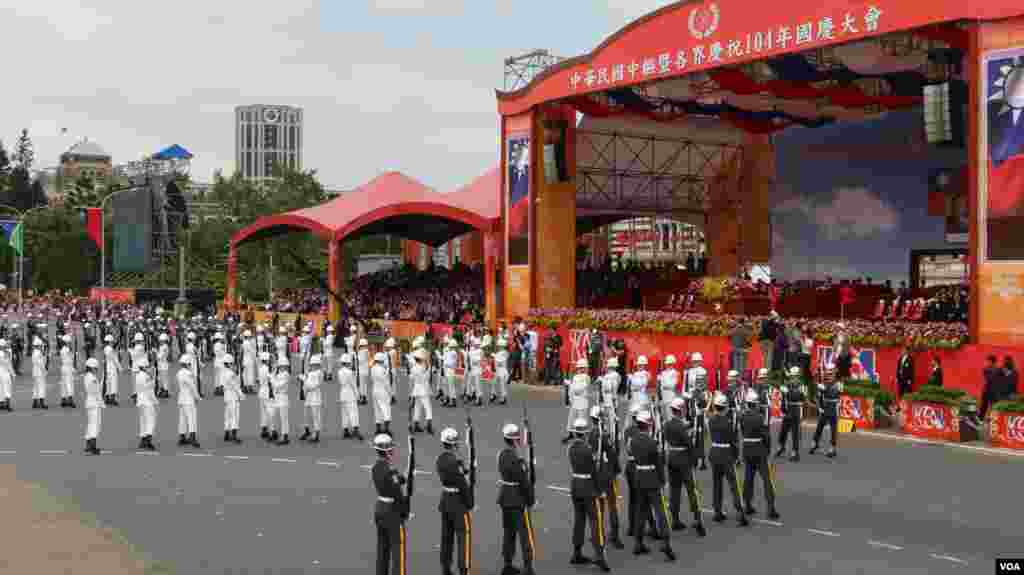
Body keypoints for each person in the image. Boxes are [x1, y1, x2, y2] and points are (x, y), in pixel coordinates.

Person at [626, 410, 675, 560]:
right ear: (648, 425)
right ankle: (665, 542)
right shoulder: (652, 443)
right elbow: (658, 464)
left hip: (639, 478)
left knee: (641, 511)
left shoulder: (632, 441)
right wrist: (663, 481)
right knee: (660, 512)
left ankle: (638, 543)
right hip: (652, 479)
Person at [567, 418, 610, 571]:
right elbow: (594, 472)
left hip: (575, 486)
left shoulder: (571, 448)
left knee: (579, 520)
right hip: (588, 488)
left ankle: (577, 551)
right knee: (595, 521)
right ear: (584, 434)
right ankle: (599, 554)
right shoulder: (587, 450)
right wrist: (600, 491)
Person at [497, 423, 536, 575]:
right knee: (525, 533)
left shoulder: (501, 454)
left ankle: (507, 563)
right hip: (517, 498)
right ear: (514, 441)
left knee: (508, 532)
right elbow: (524, 481)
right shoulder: (516, 459)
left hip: (505, 496)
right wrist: (530, 498)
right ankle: (528, 566)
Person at [663, 398, 705, 536]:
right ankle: (698, 519)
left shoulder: (667, 424)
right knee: (692, 490)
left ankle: (675, 519)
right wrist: (695, 459)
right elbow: (688, 443)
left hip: (672, 458)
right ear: (680, 410)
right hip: (683, 459)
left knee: (674, 490)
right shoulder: (681, 426)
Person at [436, 427, 474, 575]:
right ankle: (463, 569)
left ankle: (445, 567)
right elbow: (462, 484)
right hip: (458, 503)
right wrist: (469, 502)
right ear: (453, 444)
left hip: (445, 501)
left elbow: (454, 474)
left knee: (446, 537)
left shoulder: (440, 459)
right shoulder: (455, 462)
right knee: (463, 537)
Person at [708, 392, 748, 526]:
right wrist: (736, 457)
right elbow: (733, 441)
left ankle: (717, 511)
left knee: (717, 484)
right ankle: (740, 511)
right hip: (726, 454)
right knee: (733, 484)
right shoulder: (728, 422)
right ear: (725, 407)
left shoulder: (711, 420)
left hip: (714, 453)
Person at [372, 433, 409, 575]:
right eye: (391, 449)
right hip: (392, 512)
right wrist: (404, 511)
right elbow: (397, 493)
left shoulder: (376, 467)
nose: (393, 451)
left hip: (380, 508)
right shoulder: (390, 470)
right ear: (387, 451)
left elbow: (396, 480)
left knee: (382, 548)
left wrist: (403, 477)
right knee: (398, 550)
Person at [739, 390, 779, 519]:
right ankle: (771, 507)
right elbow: (766, 436)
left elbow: (743, 431)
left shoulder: (742, 417)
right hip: (759, 450)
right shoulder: (759, 417)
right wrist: (768, 450)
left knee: (748, 479)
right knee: (767, 480)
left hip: (747, 449)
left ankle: (748, 505)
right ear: (755, 404)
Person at [589, 406, 624, 549]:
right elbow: (612, 454)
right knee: (613, 506)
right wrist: (617, 470)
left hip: (596, 475)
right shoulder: (603, 435)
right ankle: (614, 536)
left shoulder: (590, 435)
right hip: (607, 474)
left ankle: (598, 534)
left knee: (599, 507)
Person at [810, 366, 841, 458]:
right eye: (828, 374)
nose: (829, 376)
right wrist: (819, 406)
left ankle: (832, 447)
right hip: (825, 407)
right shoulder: (824, 383)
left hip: (833, 407)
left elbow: (833, 392)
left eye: (831, 374)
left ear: (834, 375)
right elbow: (819, 396)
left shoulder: (838, 384)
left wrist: (822, 386)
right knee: (819, 426)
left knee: (833, 429)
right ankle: (815, 443)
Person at [775, 366, 804, 461]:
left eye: (795, 376)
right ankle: (781, 446)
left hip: (796, 409)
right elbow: (784, 399)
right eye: (792, 376)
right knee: (783, 430)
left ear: (798, 376)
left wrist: (788, 392)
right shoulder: (787, 384)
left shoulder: (801, 385)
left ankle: (795, 452)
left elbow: (799, 397)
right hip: (788, 410)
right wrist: (782, 409)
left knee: (795, 432)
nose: (793, 378)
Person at [176, 354, 201, 448]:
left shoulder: (179, 373)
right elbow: (192, 386)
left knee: (182, 419)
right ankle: (192, 438)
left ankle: (182, 437)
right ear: (188, 364)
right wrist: (197, 397)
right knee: (192, 418)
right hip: (188, 398)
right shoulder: (188, 374)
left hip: (181, 398)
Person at [564, 359, 591, 443]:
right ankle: (571, 433)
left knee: (582, 418)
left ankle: (582, 435)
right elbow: (572, 391)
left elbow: (579, 388)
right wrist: (569, 397)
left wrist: (570, 384)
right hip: (575, 400)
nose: (581, 370)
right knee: (571, 418)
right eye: (580, 368)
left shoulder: (586, 378)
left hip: (582, 400)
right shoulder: (575, 377)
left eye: (583, 368)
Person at [338, 353, 363, 440]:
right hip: (350, 394)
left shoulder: (340, 372)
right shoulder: (349, 373)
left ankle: (345, 430)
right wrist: (358, 395)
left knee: (344, 413)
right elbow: (353, 385)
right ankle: (355, 429)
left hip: (342, 393)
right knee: (353, 412)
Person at [134, 356, 158, 450]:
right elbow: (150, 389)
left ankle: (143, 440)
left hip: (140, 401)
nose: (148, 368)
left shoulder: (137, 376)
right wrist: (153, 378)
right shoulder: (147, 376)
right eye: (147, 366)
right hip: (147, 401)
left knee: (143, 421)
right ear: (144, 367)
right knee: (150, 421)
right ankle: (148, 440)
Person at [410, 349, 434, 435]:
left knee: (417, 407)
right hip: (424, 389)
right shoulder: (424, 367)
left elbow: (411, 378)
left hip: (416, 389)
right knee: (428, 408)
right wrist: (427, 361)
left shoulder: (413, 368)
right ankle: (429, 426)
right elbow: (428, 377)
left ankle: (416, 425)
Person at [82, 357, 103, 455]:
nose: (97, 369)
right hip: (94, 402)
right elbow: (96, 391)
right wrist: (101, 402)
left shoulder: (87, 376)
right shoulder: (92, 378)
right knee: (95, 424)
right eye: (96, 368)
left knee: (90, 424)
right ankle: (92, 446)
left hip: (90, 402)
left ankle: (88, 444)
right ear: (93, 368)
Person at [300, 354, 323, 443]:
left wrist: (304, 380)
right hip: (309, 397)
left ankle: (316, 433)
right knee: (306, 415)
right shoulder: (311, 373)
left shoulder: (318, 373)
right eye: (312, 365)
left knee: (315, 416)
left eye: (314, 365)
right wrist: (303, 390)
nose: (312, 366)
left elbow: (313, 386)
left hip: (315, 397)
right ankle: (307, 430)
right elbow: (306, 386)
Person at [222, 354, 244, 444]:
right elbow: (235, 385)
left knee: (227, 415)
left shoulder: (223, 372)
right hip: (232, 396)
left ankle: (227, 433)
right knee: (234, 415)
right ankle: (234, 435)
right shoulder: (231, 374)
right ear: (230, 363)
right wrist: (241, 394)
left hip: (226, 395)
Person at [372, 352, 393, 436]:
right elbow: (386, 383)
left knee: (377, 410)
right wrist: (390, 393)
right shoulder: (383, 370)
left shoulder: (372, 368)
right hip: (382, 391)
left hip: (375, 390)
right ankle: (386, 429)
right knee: (386, 409)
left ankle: (378, 429)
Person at [271, 357, 291, 445]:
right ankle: (276, 433)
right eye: (281, 366)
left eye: (283, 366)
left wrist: (272, 378)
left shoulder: (286, 375)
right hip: (277, 397)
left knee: (284, 419)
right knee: (273, 416)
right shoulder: (279, 374)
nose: (282, 367)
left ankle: (285, 436)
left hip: (283, 397)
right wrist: (274, 372)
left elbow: (277, 385)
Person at [258, 351, 275, 439]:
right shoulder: (267, 369)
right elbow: (271, 381)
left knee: (263, 412)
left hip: (261, 391)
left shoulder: (261, 368)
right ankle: (272, 430)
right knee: (270, 411)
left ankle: (264, 429)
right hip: (267, 391)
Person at [658, 355, 679, 421]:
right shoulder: (663, 373)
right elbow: (660, 385)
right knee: (664, 416)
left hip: (670, 396)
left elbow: (673, 385)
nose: (669, 365)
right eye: (668, 364)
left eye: (670, 364)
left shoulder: (675, 373)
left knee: (670, 415)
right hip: (663, 395)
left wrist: (664, 384)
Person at [104, 334, 122, 406]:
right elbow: (115, 359)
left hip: (108, 367)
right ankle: (113, 399)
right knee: (113, 383)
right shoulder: (111, 349)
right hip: (112, 367)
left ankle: (107, 398)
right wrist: (120, 368)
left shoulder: (105, 348)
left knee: (108, 383)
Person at [59, 334, 76, 408]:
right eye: (69, 342)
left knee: (64, 384)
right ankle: (70, 399)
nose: (70, 343)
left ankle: (63, 399)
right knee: (69, 383)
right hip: (67, 367)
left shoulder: (63, 349)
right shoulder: (67, 350)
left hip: (64, 367)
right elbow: (71, 359)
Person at [32, 338, 48, 409]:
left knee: (35, 387)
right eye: (41, 345)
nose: (42, 347)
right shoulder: (38, 353)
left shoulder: (35, 352)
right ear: (38, 345)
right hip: (39, 371)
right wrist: (44, 370)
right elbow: (41, 363)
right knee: (41, 386)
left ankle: (35, 402)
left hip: (35, 371)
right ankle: (42, 403)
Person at [493, 338, 510, 405]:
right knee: (495, 383)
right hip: (503, 370)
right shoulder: (505, 352)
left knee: (501, 385)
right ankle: (494, 394)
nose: (498, 347)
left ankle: (503, 398)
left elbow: (499, 362)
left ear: (501, 346)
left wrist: (494, 356)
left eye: (499, 346)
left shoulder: (501, 353)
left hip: (501, 370)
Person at [443, 339, 459, 407]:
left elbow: (453, 363)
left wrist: (447, 364)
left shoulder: (453, 352)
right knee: (448, 386)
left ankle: (453, 400)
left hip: (451, 370)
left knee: (451, 387)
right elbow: (445, 359)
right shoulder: (450, 352)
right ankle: (450, 400)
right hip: (448, 370)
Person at [157, 333, 171, 399]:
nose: (160, 341)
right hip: (160, 364)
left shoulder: (165, 347)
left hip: (163, 365)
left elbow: (160, 356)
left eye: (162, 340)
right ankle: (162, 390)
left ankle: (166, 391)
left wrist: (155, 353)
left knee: (164, 379)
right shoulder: (161, 346)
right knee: (161, 379)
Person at [0, 340, 13, 411]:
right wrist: (12, 373)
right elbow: (7, 363)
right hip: (4, 372)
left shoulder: (5, 352)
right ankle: (8, 405)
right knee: (7, 388)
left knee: (1, 388)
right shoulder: (4, 353)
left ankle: (1, 404)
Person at [357, 338, 371, 405]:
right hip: (366, 370)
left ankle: (362, 398)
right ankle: (365, 397)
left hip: (361, 370)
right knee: (364, 384)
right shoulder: (367, 351)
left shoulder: (362, 352)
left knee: (361, 385)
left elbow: (360, 360)